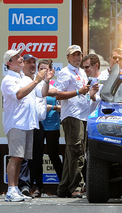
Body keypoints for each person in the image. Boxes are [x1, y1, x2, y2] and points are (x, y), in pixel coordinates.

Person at [42, 45, 93, 199]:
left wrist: (91, 92)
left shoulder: (82, 72)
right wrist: (78, 91)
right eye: (74, 55)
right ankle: (76, 186)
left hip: (83, 115)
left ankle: (63, 187)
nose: (77, 57)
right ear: (68, 57)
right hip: (72, 116)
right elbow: (57, 94)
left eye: (79, 54)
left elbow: (85, 93)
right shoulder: (65, 72)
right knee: (77, 151)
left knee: (73, 152)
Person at [1, 49, 47, 202]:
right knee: (15, 157)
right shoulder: (8, 79)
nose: (21, 58)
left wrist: (45, 80)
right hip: (16, 123)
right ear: (9, 63)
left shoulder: (25, 78)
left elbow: (42, 93)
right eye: (17, 57)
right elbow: (19, 94)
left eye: (20, 56)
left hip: (27, 124)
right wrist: (36, 80)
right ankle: (10, 190)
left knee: (20, 158)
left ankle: (16, 189)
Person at [16, 53, 48, 198]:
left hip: (37, 124)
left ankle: (32, 186)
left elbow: (43, 93)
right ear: (23, 64)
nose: (33, 65)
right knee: (21, 157)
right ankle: (22, 186)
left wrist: (46, 81)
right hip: (22, 124)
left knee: (36, 157)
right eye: (29, 62)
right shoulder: (20, 80)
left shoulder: (39, 81)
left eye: (34, 62)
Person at [38, 59, 63, 193]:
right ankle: (38, 188)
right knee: (37, 157)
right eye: (41, 69)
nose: (43, 71)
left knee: (54, 156)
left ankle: (63, 184)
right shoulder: (34, 84)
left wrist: (52, 107)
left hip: (52, 125)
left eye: (46, 69)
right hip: (38, 124)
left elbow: (60, 104)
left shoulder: (55, 84)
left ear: (51, 70)